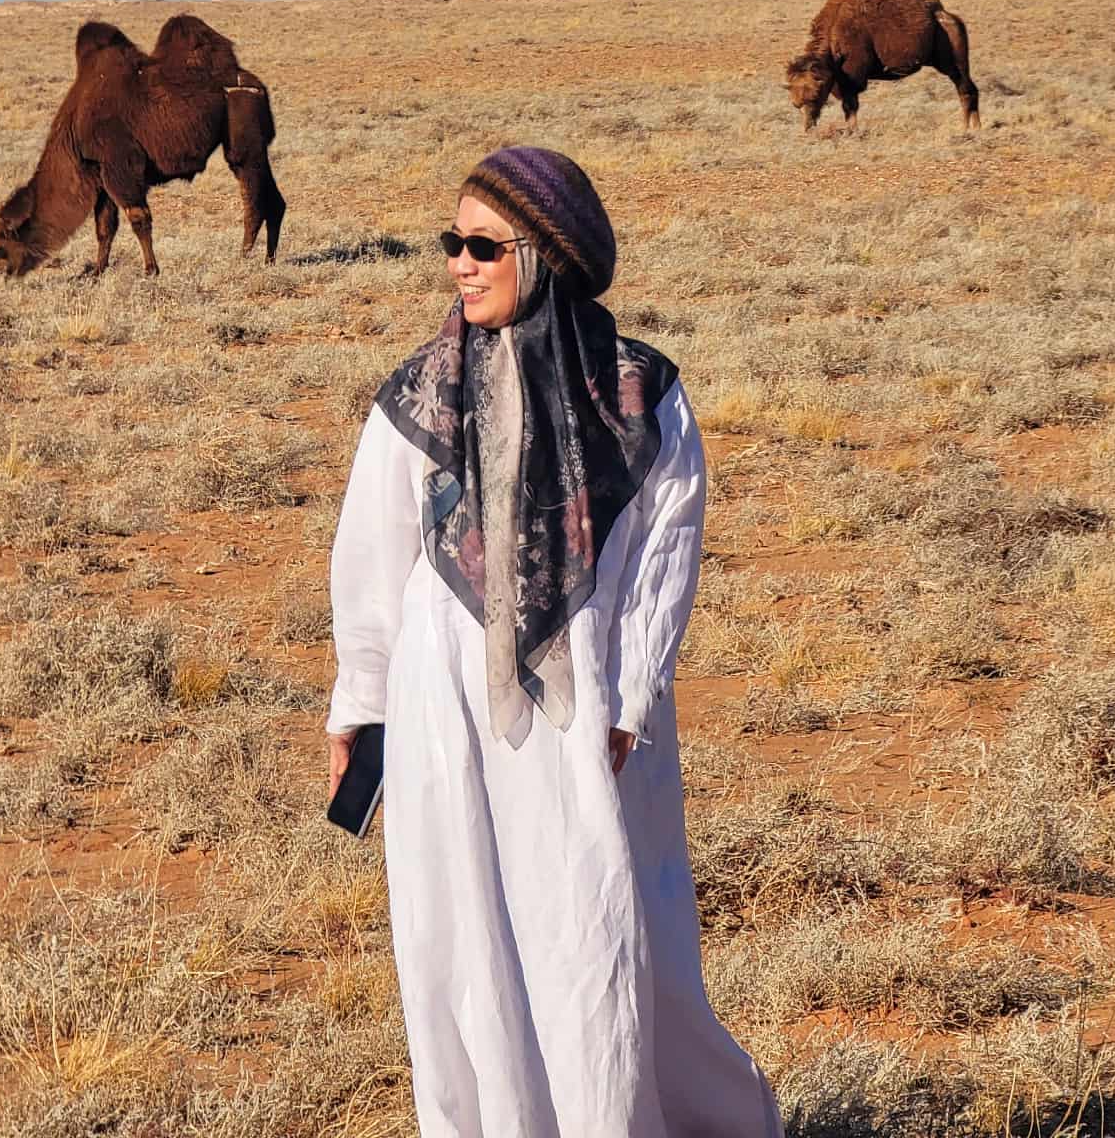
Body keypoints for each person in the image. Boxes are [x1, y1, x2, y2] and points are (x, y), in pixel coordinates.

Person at [326, 146, 782, 1138]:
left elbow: (664, 555)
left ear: (545, 255)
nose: (461, 263)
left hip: (594, 710)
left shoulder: (641, 395)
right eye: (453, 242)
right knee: (461, 941)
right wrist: (360, 705)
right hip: (445, 705)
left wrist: (631, 698)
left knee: (601, 930)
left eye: (484, 246)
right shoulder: (423, 391)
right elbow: (373, 555)